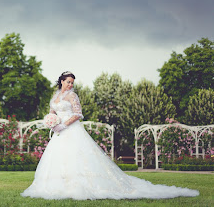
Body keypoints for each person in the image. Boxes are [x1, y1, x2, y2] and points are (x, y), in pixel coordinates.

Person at [21, 71, 199, 200]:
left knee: (78, 157)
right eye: (68, 82)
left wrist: (63, 125)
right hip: (58, 133)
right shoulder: (55, 97)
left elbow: (78, 114)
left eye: (72, 82)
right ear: (61, 81)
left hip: (71, 130)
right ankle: (58, 185)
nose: (70, 85)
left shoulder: (72, 96)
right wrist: (52, 122)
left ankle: (82, 185)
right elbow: (52, 112)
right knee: (58, 158)